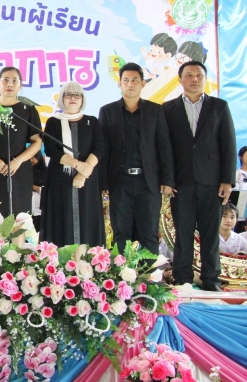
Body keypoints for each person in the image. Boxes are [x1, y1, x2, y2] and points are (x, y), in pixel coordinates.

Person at [164, 60, 236, 291]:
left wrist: (227, 180)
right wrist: (167, 180)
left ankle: (211, 280)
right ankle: (182, 278)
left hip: (212, 182)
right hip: (180, 182)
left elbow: (228, 144)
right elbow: (165, 148)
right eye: (189, 75)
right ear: (180, 80)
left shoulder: (219, 106)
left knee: (210, 234)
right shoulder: (168, 109)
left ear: (205, 79)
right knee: (183, 233)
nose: (194, 79)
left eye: (199, 75)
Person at [98, 62, 174, 257]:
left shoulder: (155, 111)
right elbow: (103, 149)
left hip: (148, 182)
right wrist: (103, 183)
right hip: (119, 182)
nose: (130, 84)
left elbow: (164, 147)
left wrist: (167, 179)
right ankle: (122, 274)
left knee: (148, 233)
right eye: (126, 80)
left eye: (134, 80)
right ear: (119, 84)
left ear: (143, 84)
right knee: (120, 233)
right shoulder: (107, 111)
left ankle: (148, 274)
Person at [41, 81, 105, 247]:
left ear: (82, 99)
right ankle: (62, 261)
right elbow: (51, 150)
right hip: (60, 180)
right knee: (62, 221)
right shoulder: (53, 122)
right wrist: (77, 165)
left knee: (87, 221)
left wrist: (83, 173)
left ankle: (86, 261)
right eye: (68, 94)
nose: (73, 98)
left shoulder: (92, 121)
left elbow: (99, 148)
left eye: (77, 95)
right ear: (62, 98)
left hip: (87, 180)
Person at [0, 67, 43, 217]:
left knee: (19, 218)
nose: (10, 84)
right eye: (5, 80)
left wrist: (18, 161)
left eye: (14, 81)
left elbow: (37, 142)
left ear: (20, 86)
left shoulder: (28, 109)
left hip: (19, 170)